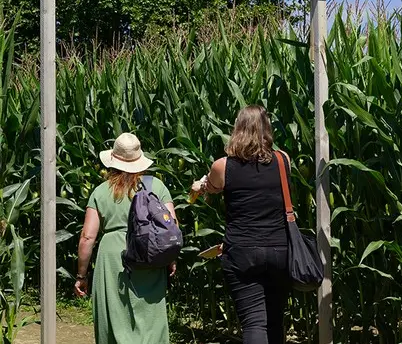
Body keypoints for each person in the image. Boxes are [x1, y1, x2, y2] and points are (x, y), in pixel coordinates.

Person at [191, 104, 291, 344]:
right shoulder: (283, 160)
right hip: (279, 250)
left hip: (242, 252)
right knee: (275, 320)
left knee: (254, 322)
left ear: (238, 129)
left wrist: (200, 185)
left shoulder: (223, 166)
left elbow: (212, 187)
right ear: (267, 129)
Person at [75, 132, 177, 344]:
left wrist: (81, 275)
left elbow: (87, 237)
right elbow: (171, 226)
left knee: (114, 315)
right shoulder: (157, 187)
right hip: (149, 253)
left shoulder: (101, 192)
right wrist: (170, 259)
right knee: (151, 316)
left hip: (113, 259)